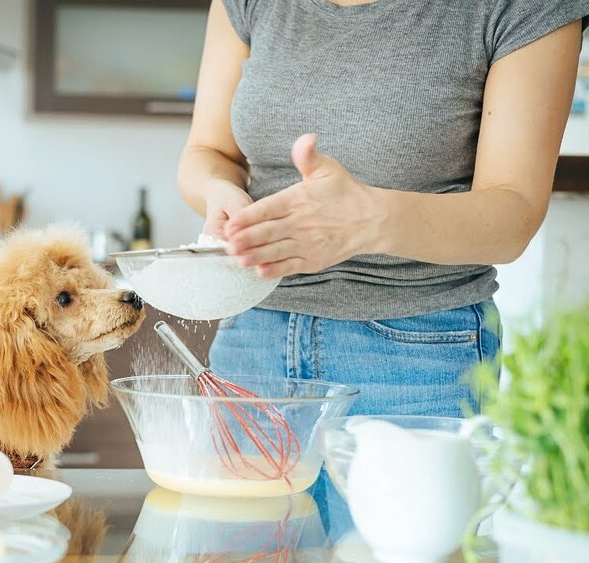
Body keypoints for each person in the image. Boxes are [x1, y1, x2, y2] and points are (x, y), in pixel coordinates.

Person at [179, 0, 589, 419]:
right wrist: (220, 192)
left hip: (417, 352)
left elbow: (513, 217)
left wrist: (369, 220)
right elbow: (206, 152)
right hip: (251, 333)